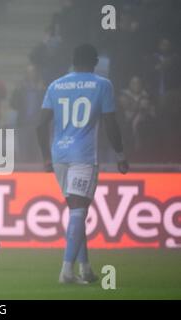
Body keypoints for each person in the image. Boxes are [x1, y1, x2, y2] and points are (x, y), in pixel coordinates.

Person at [36, 44, 129, 284]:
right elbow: (110, 123)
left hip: (59, 155)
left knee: (77, 211)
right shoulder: (102, 84)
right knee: (79, 210)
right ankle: (66, 272)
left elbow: (40, 124)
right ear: (95, 61)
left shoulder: (55, 85)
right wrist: (120, 154)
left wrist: (46, 156)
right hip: (83, 156)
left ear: (73, 61)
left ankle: (85, 269)